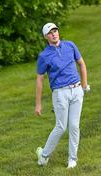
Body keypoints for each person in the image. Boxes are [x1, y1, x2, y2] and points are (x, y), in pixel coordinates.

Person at [35, 22, 90, 168]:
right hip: (60, 93)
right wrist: (38, 104)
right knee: (61, 127)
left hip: (77, 90)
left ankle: (72, 159)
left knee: (74, 126)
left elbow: (81, 64)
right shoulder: (44, 56)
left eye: (55, 31)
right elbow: (40, 80)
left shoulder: (70, 45)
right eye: (50, 32)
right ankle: (44, 155)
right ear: (46, 36)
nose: (54, 34)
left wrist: (84, 85)